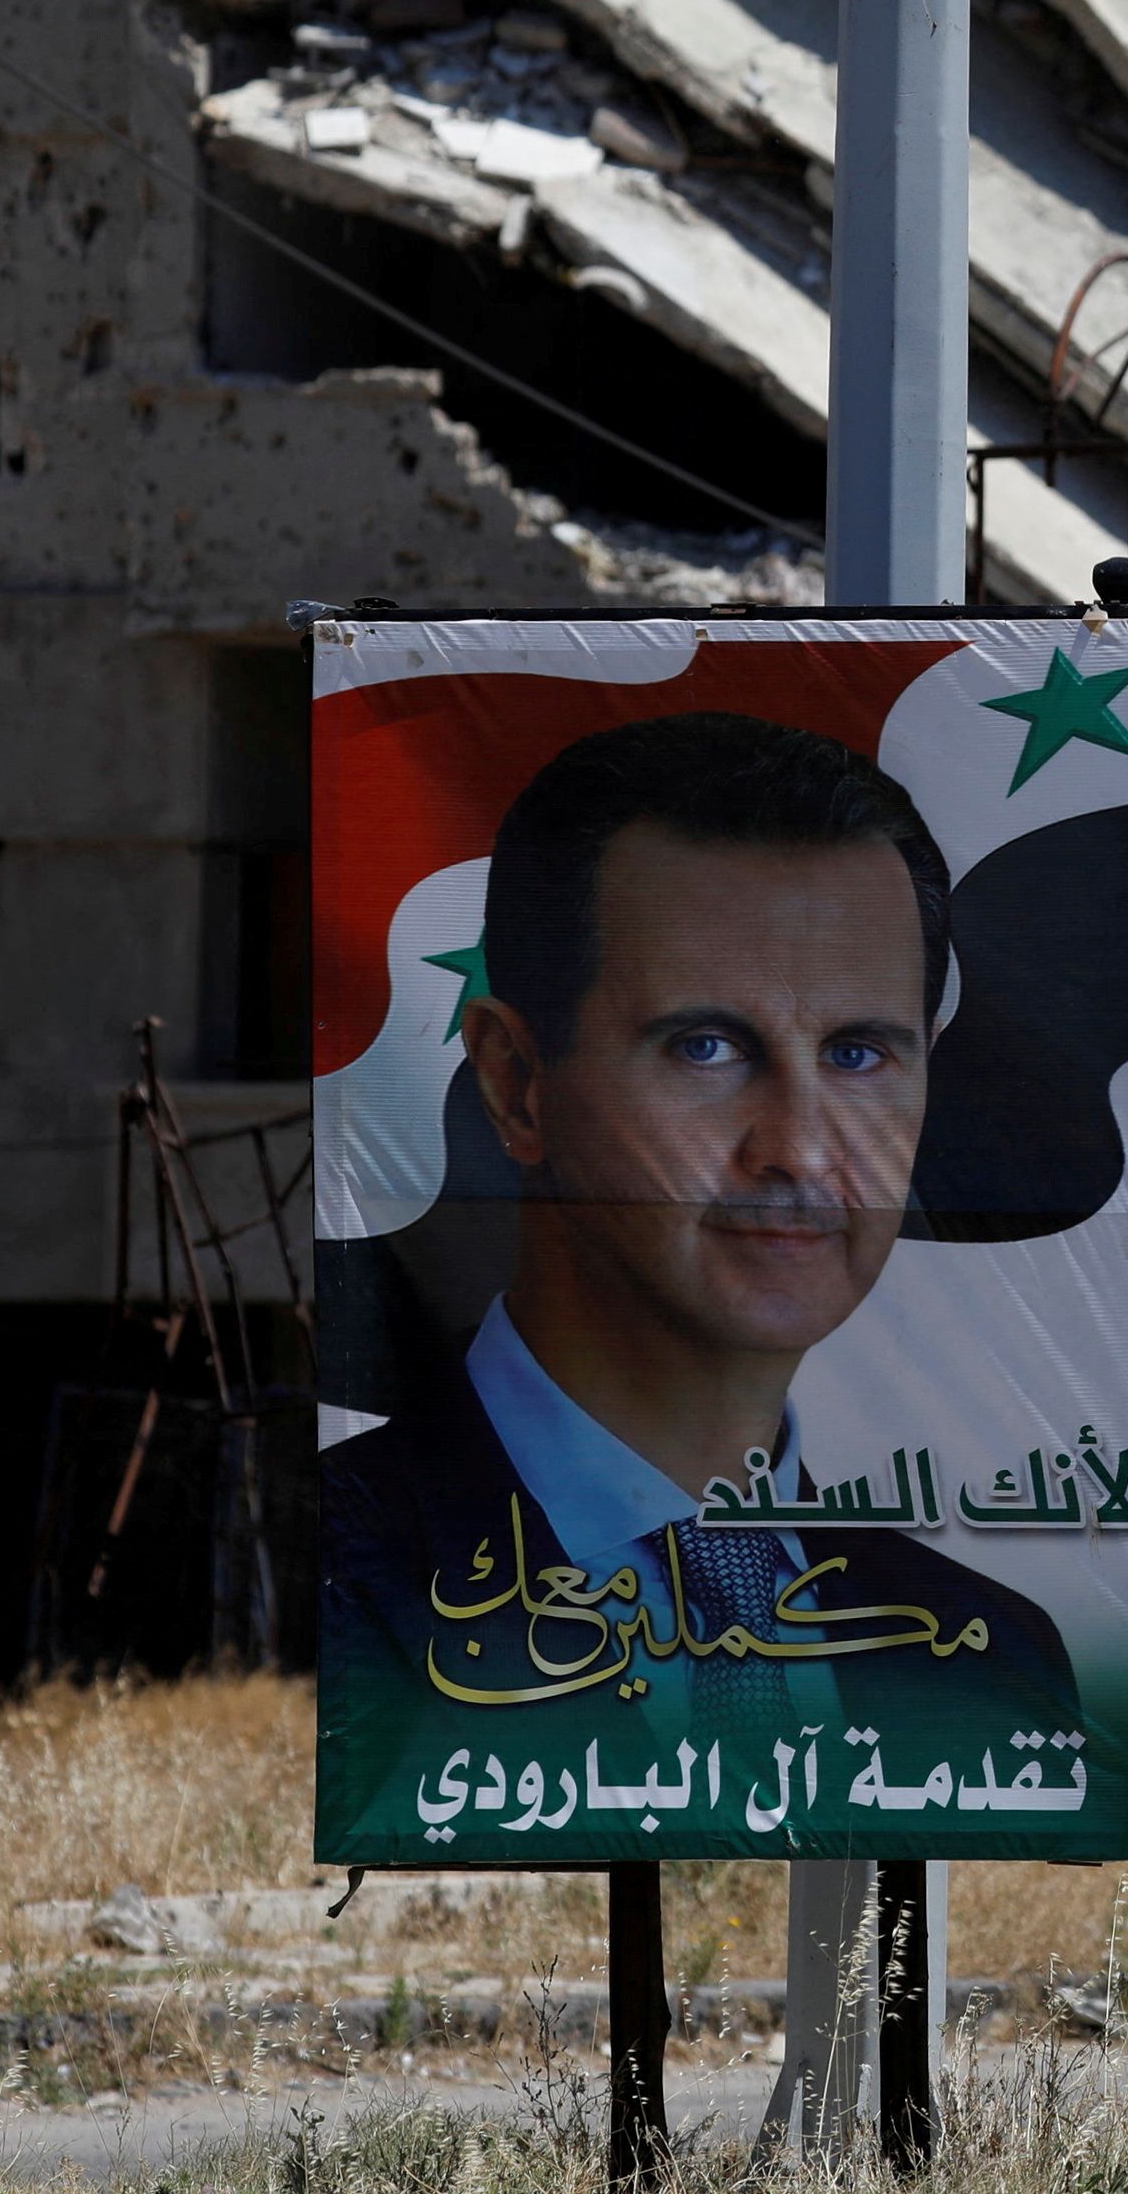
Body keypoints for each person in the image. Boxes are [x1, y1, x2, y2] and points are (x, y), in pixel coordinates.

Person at [323, 710, 1080, 1760]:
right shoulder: (335, 1573)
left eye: (859, 1053)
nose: (803, 1151)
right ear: (515, 1081)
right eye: (709, 1045)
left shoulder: (998, 1656)